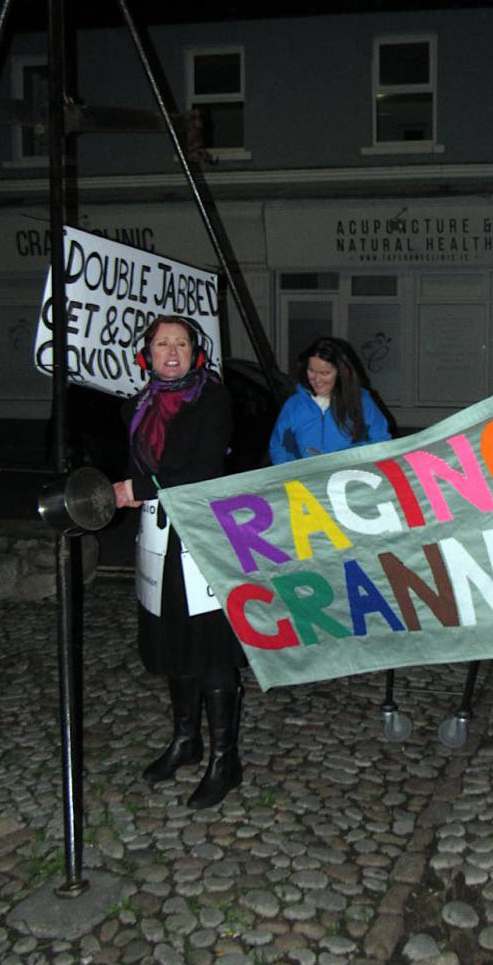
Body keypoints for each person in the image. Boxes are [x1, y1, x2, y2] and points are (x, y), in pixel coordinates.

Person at [113, 315, 247, 809]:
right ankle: (186, 742)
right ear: (146, 353)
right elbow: (138, 465)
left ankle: (225, 759)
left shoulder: (211, 399)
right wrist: (129, 492)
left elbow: (201, 468)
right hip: (158, 538)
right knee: (172, 638)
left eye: (182, 343)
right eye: (162, 343)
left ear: (196, 353)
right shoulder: (136, 406)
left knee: (211, 646)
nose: (172, 351)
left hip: (205, 537)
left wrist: (138, 487)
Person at [269, 335, 390, 464]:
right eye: (311, 371)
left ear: (342, 373)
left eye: (325, 373)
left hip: (349, 477)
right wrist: (298, 469)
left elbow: (380, 442)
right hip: (304, 479)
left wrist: (339, 460)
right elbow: (279, 448)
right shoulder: (294, 405)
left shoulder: (362, 402)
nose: (316, 379)